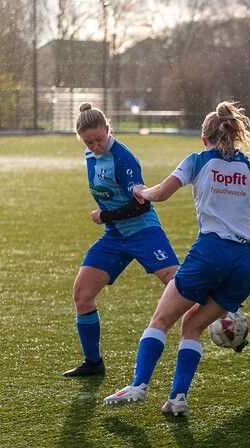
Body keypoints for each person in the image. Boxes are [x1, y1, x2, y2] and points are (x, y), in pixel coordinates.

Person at [103, 101, 250, 416]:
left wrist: (142, 192)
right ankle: (177, 398)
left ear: (205, 139)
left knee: (161, 320)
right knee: (192, 325)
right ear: (236, 136)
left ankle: (139, 384)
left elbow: (161, 193)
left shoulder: (197, 160)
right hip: (246, 263)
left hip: (211, 253)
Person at [64, 103, 180, 377]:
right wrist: (109, 220)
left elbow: (140, 206)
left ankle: (224, 316)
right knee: (82, 295)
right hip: (115, 236)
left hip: (143, 231)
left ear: (108, 128)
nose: (95, 146)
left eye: (99, 139)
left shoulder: (124, 158)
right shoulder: (90, 155)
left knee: (181, 284)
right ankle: (93, 363)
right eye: (89, 142)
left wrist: (104, 215)